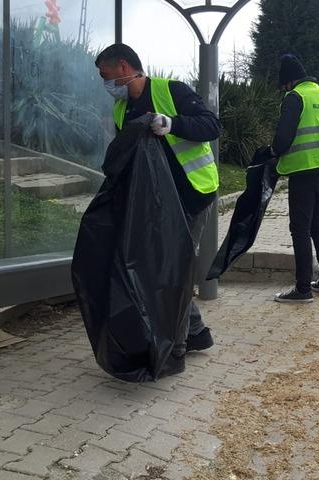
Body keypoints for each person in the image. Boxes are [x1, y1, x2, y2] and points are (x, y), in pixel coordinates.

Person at [95, 43, 219, 353]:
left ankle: (176, 346)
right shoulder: (122, 109)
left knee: (175, 270)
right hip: (157, 203)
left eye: (106, 76)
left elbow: (211, 125)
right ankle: (196, 331)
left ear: (124, 67)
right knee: (163, 269)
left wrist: (172, 124)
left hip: (192, 193)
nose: (105, 84)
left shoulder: (171, 90)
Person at [269, 54, 319, 304]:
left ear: (289, 81)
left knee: (300, 229)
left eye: (283, 86)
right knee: (316, 225)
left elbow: (283, 137)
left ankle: (302, 289)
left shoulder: (296, 97)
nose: (284, 90)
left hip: (304, 170)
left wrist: (272, 152)